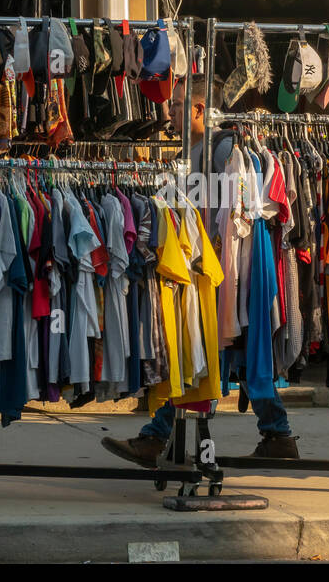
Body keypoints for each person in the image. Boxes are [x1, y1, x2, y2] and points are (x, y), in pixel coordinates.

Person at [101, 76, 301, 468]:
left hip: (226, 267)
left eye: (176, 105)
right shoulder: (198, 149)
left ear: (197, 109)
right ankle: (276, 434)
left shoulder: (223, 149)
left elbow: (229, 220)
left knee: (206, 356)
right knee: (224, 357)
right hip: (216, 267)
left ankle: (156, 440)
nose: (168, 112)